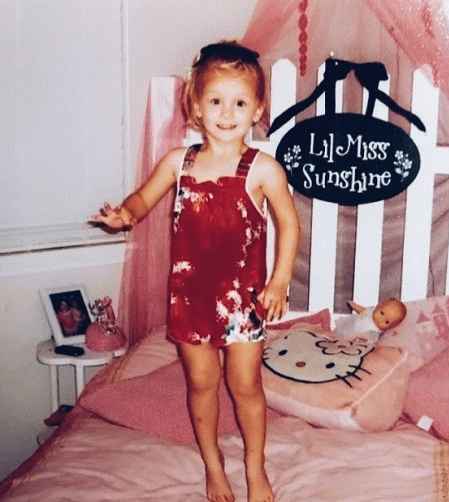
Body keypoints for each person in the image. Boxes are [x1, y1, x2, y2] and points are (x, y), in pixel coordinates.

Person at [90, 41, 299, 502]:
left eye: (240, 103)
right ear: (196, 107)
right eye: (216, 101)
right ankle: (213, 465)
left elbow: (289, 223)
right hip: (191, 299)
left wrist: (280, 279)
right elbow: (142, 199)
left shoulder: (263, 169)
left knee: (245, 385)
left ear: (257, 109)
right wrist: (125, 215)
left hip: (243, 302)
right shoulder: (177, 163)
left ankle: (255, 467)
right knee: (202, 384)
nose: (227, 113)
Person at [334, 297, 407, 342]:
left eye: (387, 322)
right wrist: (354, 306)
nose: (380, 320)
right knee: (338, 331)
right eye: (382, 313)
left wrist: (394, 334)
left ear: (390, 327)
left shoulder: (375, 332)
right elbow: (362, 310)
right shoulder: (371, 312)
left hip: (357, 340)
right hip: (349, 328)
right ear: (378, 306)